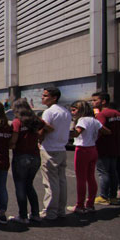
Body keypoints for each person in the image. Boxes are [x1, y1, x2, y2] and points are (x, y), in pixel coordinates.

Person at [38, 86, 72, 221]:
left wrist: (39, 138)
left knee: (50, 182)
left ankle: (50, 212)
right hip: (61, 149)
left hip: (49, 148)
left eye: (45, 96)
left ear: (54, 98)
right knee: (61, 181)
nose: (42, 97)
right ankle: (60, 210)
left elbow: (44, 130)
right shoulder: (66, 111)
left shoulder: (49, 112)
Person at [9, 98, 44, 224]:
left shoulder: (17, 122)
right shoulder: (35, 121)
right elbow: (46, 128)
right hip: (35, 155)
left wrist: (8, 145)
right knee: (29, 185)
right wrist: (39, 139)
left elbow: (13, 141)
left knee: (20, 186)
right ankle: (35, 214)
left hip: (21, 156)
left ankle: (22, 216)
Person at [67, 100, 104, 214]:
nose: (72, 113)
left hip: (82, 150)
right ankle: (90, 204)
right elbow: (105, 131)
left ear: (81, 110)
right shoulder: (94, 120)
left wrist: (64, 133)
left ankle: (80, 205)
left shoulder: (82, 120)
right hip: (93, 149)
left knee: (81, 179)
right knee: (91, 178)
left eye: (74, 110)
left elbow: (77, 133)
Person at [91, 92, 120, 205]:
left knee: (103, 172)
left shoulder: (102, 114)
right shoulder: (117, 114)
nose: (93, 102)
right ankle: (113, 196)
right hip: (115, 146)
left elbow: (100, 128)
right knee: (113, 172)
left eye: (95, 100)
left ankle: (104, 196)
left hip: (103, 147)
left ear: (103, 101)